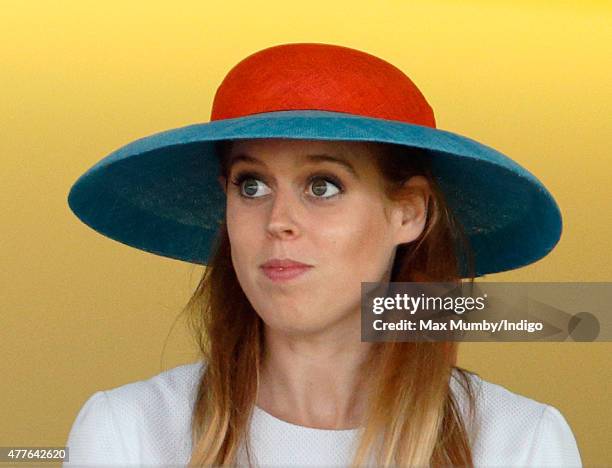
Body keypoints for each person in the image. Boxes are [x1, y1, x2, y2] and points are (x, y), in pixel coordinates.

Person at [64, 43, 582, 466]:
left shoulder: (516, 444)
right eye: (251, 186)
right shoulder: (127, 434)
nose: (278, 221)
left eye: (323, 186)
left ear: (408, 213)